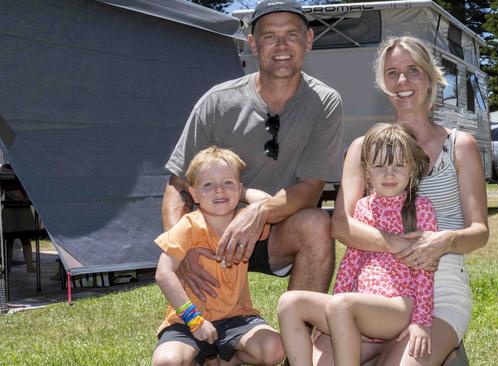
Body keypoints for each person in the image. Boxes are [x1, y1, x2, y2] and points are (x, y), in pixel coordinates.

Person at [161, 0, 343, 302]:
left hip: (275, 231)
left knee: (317, 224)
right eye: (270, 36)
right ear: (252, 44)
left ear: (308, 40)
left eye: (292, 35)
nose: (282, 45)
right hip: (211, 234)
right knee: (206, 348)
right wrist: (179, 249)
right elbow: (178, 186)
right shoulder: (217, 102)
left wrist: (259, 211)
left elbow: (311, 190)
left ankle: (297, 341)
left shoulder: (324, 102)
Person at [330, 36, 489, 365]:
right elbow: (342, 225)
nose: (402, 81)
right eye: (392, 73)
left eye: (413, 70)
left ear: (431, 78)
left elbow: (480, 231)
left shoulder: (460, 146)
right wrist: (398, 244)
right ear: (383, 82)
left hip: (440, 281)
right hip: (372, 289)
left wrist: (445, 240)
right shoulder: (362, 148)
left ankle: (443, 345)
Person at [277, 123, 438, 365]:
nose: (389, 174)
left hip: (397, 306)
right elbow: (352, 260)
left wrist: (421, 322)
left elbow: (425, 270)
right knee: (289, 302)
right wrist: (333, 313)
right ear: (366, 172)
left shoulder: (421, 209)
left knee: (342, 304)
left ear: (412, 168)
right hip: (356, 307)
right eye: (380, 166)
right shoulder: (362, 208)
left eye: (398, 165)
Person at [152, 146, 285, 366]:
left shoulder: (246, 224)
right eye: (208, 185)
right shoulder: (188, 226)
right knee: (166, 361)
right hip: (187, 321)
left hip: (237, 318)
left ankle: (228, 358)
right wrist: (194, 320)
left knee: (275, 348)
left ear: (240, 188)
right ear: (194, 193)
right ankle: (199, 357)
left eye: (228, 183)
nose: (219, 191)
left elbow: (265, 202)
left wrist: (240, 192)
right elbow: (163, 273)